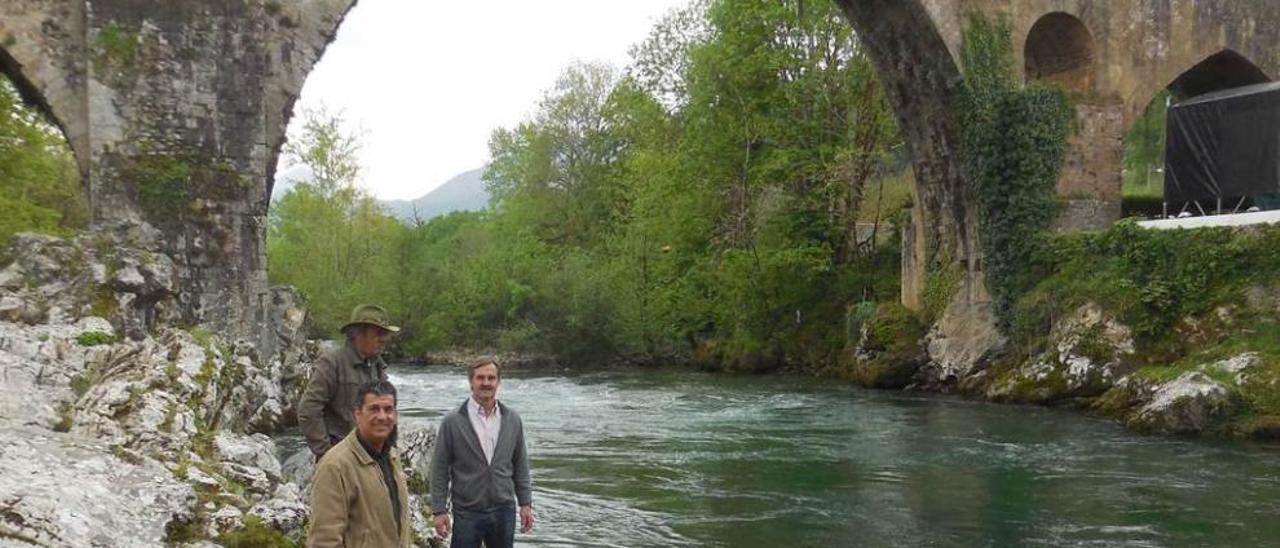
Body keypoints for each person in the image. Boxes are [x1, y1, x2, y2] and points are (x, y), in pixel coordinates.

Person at [429, 359, 534, 548]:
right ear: (471, 382)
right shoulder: (452, 421)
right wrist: (439, 510)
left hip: (504, 509)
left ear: (498, 382)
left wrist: (526, 504)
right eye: (480, 378)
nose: (486, 383)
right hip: (467, 510)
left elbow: (520, 465)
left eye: (491, 378)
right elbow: (439, 469)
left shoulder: (512, 419)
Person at [308, 380, 411, 547]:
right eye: (374, 409)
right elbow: (324, 539)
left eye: (388, 409)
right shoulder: (335, 466)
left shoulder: (391, 456)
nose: (382, 417)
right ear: (357, 414)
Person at [299, 304, 399, 460]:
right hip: (340, 457)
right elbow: (309, 409)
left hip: (373, 456)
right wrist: (326, 453)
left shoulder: (378, 367)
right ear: (358, 334)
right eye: (379, 333)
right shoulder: (332, 362)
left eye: (385, 334)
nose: (383, 339)